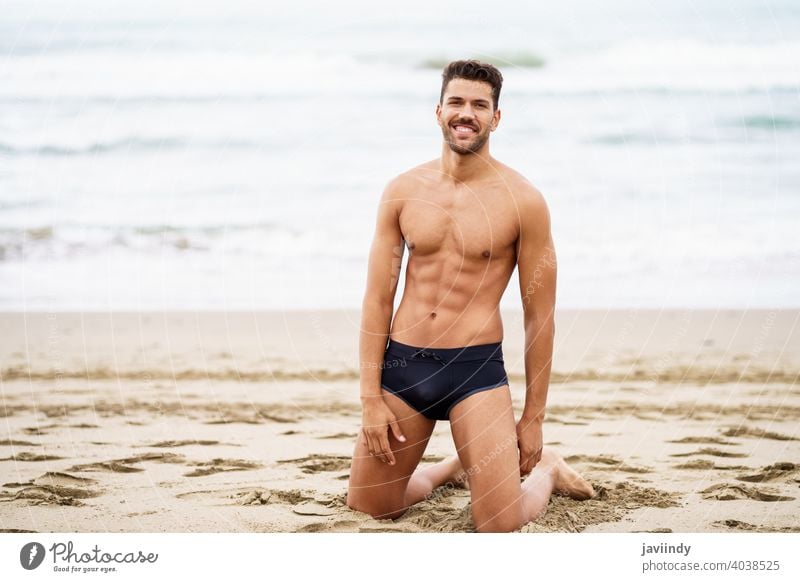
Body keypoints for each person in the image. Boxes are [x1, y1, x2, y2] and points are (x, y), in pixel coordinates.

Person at [346, 60, 594, 533]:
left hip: (474, 372)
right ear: (438, 112)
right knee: (372, 509)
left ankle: (547, 473)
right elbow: (377, 300)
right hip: (404, 368)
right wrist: (369, 399)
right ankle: (449, 470)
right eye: (457, 103)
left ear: (496, 118)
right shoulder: (402, 191)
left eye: (480, 105)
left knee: (498, 524)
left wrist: (533, 419)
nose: (467, 113)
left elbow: (539, 317)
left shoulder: (524, 201)